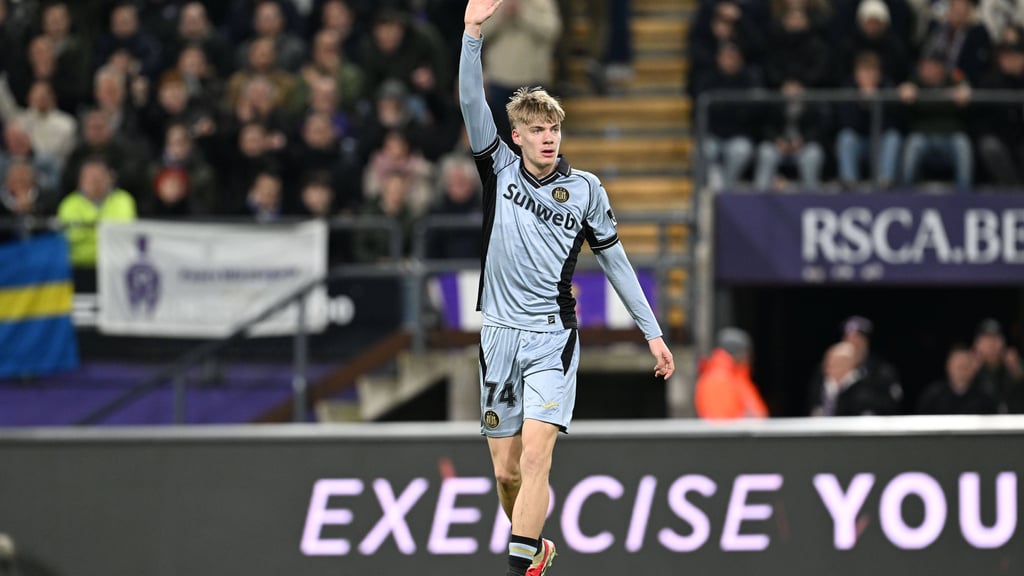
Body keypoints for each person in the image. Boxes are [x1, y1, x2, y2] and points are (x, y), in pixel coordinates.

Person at [460, 3, 675, 576]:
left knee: (535, 456)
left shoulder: (585, 191)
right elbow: (469, 103)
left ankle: (520, 567)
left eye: (554, 128)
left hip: (551, 338)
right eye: (537, 130)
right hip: (499, 337)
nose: (548, 138)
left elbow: (619, 264)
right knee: (506, 472)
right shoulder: (499, 170)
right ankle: (534, 544)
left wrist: (652, 332)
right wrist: (471, 34)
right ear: (517, 136)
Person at [56, 157, 136, 267]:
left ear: (109, 178)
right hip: (81, 265)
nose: (95, 181)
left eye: (100, 176)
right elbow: (71, 237)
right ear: (80, 181)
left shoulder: (123, 200)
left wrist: (89, 229)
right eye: (90, 177)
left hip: (116, 264)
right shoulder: (69, 204)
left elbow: (124, 231)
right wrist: (104, 230)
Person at [695, 327, 769, 420]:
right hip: (740, 434)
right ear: (739, 353)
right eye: (747, 353)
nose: (750, 359)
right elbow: (721, 423)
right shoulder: (718, 380)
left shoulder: (736, 377)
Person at [916, 344, 997, 414]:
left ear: (973, 369)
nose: (961, 370)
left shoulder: (984, 399)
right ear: (948, 367)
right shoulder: (933, 396)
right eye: (958, 366)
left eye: (965, 366)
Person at [971, 318, 1024, 412]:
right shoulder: (968, 369)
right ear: (977, 344)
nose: (991, 344)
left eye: (996, 338)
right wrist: (971, 374)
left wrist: (1018, 374)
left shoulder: (1013, 367)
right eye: (986, 339)